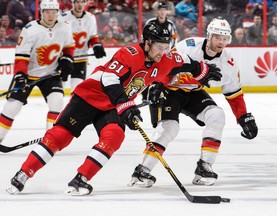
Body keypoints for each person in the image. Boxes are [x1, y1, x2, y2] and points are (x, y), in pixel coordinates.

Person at [6, 23, 222, 195]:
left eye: (167, 46)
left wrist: (205, 69)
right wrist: (125, 104)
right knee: (59, 136)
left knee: (114, 136)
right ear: (147, 43)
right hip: (90, 96)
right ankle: (23, 174)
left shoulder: (166, 58)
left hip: (114, 105)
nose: (163, 52)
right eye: (159, 46)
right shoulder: (129, 53)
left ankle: (81, 179)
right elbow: (109, 78)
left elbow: (186, 62)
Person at [128, 18, 258, 188]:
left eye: (225, 38)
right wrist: (157, 84)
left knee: (216, 115)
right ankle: (142, 170)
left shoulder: (228, 62)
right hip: (170, 90)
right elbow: (165, 64)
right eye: (218, 37)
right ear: (209, 35)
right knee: (169, 128)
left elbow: (234, 93)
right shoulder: (188, 46)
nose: (221, 42)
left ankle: (204, 167)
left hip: (193, 92)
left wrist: (243, 117)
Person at [0, 0, 75, 144]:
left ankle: (51, 139)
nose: (51, 15)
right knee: (12, 107)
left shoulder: (65, 27)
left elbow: (69, 47)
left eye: (54, 12)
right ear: (42, 12)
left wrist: (67, 60)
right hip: (28, 74)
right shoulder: (30, 29)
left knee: (57, 102)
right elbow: (21, 56)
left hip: (50, 74)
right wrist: (20, 75)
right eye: (47, 12)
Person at [60, 0, 106, 92]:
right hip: (64, 58)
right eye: (77, 2)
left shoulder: (91, 18)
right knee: (59, 90)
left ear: (85, 3)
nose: (80, 4)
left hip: (81, 59)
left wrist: (96, 46)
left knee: (77, 89)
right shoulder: (62, 18)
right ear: (73, 3)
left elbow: (93, 36)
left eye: (82, 2)